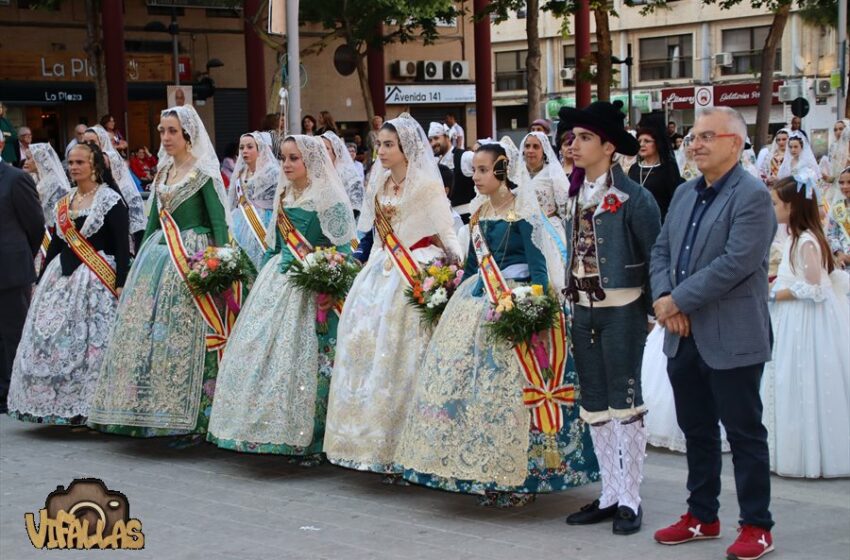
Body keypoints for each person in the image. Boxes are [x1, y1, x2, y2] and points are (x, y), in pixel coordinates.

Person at [396, 139, 599, 507]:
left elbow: (538, 267)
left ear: (503, 171)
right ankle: (479, 468)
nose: (476, 177)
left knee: (509, 390)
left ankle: (521, 475)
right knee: (468, 386)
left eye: (484, 170)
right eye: (475, 170)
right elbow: (475, 268)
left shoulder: (522, 210)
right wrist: (452, 293)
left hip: (516, 299)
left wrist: (534, 307)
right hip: (478, 299)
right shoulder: (479, 213)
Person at [650, 107, 777, 560]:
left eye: (707, 136)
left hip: (732, 336)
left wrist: (677, 300)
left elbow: (735, 264)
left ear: (735, 144)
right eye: (692, 137)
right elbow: (662, 249)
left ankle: (757, 525)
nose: (695, 143)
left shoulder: (753, 196)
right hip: (682, 335)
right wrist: (665, 297)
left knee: (744, 434)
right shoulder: (685, 193)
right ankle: (702, 515)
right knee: (697, 431)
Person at [323, 114, 462, 477]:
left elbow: (446, 233)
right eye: (379, 145)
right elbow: (367, 231)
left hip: (413, 268)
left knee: (401, 351)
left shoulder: (426, 186)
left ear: (406, 148)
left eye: (388, 145)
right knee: (364, 349)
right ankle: (364, 440)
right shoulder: (379, 181)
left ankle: (407, 442)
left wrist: (456, 273)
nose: (381, 151)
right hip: (379, 270)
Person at [88, 105, 238, 439]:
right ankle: (142, 409)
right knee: (148, 335)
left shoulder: (203, 173)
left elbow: (217, 224)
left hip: (192, 257)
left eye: (172, 131)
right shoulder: (162, 173)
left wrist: (220, 266)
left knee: (186, 334)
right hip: (158, 256)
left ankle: (194, 414)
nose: (165, 138)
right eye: (161, 131)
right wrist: (138, 268)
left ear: (188, 135)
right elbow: (154, 220)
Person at [208, 135, 356, 458]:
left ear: (310, 162)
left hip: (309, 284)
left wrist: (328, 281)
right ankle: (258, 427)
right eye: (284, 158)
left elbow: (344, 250)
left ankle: (312, 436)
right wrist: (264, 276)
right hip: (278, 279)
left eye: (294, 159)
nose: (286, 165)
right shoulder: (284, 193)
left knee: (307, 360)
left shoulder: (329, 198)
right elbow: (275, 244)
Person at [558, 101, 661, 536]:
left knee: (626, 402)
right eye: (571, 138)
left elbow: (656, 255)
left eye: (583, 138)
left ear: (607, 146)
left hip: (623, 310)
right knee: (595, 403)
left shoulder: (635, 197)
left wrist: (655, 309)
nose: (573, 146)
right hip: (583, 310)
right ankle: (610, 493)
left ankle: (631, 497)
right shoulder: (575, 193)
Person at [7, 142, 130, 425]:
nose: (74, 168)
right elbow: (56, 244)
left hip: (97, 281)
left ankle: (91, 405)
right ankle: (56, 403)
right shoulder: (65, 202)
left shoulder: (109, 200)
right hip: (60, 278)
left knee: (92, 342)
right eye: (71, 163)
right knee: (54, 339)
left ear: (95, 165)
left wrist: (122, 281)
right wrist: (40, 279)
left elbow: (122, 246)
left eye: (80, 163)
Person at [762, 173, 850, 479]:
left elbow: (816, 288)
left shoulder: (807, 241)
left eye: (776, 203)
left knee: (802, 379)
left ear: (792, 206)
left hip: (804, 323)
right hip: (792, 319)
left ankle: (809, 453)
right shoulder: (795, 239)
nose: (772, 208)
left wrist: (774, 294)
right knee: (788, 381)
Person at [0, 154, 44, 414]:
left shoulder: (16, 179)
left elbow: (35, 224)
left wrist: (20, 253)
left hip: (10, 269)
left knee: (14, 333)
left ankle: (17, 391)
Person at [520, 131, 571, 294]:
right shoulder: (516, 175)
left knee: (554, 279)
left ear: (544, 151)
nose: (531, 150)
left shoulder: (553, 174)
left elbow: (566, 208)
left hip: (549, 229)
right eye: (527, 146)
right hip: (521, 230)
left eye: (536, 146)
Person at [82, 126, 146, 250]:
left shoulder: (109, 156)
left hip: (120, 203)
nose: (88, 146)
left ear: (102, 142)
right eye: (85, 143)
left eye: (93, 142)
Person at [227, 132, 280, 269]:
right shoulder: (240, 172)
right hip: (241, 220)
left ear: (259, 149)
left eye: (250, 147)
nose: (245, 151)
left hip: (265, 223)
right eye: (242, 147)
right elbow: (233, 200)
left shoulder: (272, 172)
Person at [628, 114, 685, 221]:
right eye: (639, 141)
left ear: (657, 143)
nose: (642, 144)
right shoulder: (634, 168)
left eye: (647, 141)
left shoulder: (668, 168)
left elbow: (675, 201)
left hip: (660, 222)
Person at [428, 122, 477, 223]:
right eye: (430, 140)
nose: (433, 143)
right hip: (447, 220)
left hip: (468, 219)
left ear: (447, 137)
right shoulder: (436, 162)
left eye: (436, 138)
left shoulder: (465, 157)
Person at [321, 131, 364, 216]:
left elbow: (356, 205)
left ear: (336, 150)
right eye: (320, 147)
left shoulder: (349, 174)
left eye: (326, 148)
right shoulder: (318, 172)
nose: (322, 151)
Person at [819, 119, 850, 205]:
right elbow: (835, 173)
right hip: (836, 185)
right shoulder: (834, 147)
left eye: (841, 129)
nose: (838, 132)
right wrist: (827, 177)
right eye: (835, 130)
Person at [827, 167, 850, 269]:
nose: (845, 186)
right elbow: (832, 235)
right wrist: (840, 253)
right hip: (845, 265)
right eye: (841, 183)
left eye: (849, 182)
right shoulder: (837, 208)